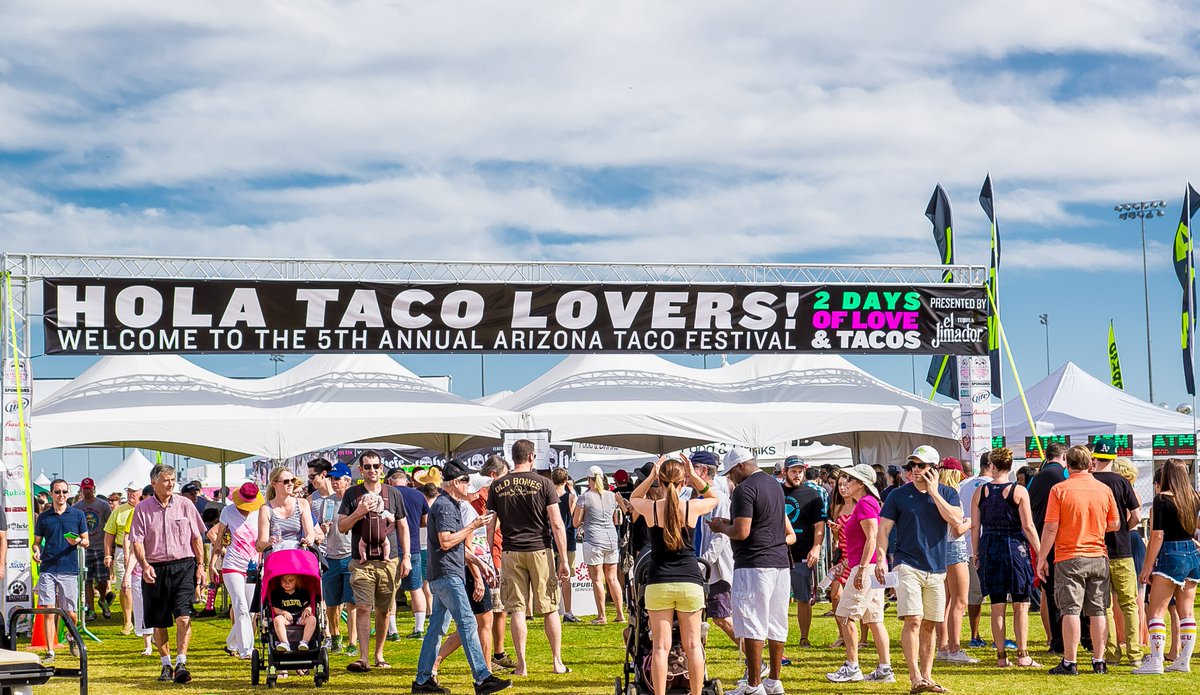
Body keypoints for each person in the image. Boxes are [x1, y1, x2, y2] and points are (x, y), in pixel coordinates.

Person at [412, 459, 512, 695]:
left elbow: (454, 544)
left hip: (445, 573)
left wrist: (478, 563)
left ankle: (423, 680)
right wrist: (473, 525)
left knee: (436, 628)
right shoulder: (446, 506)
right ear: (456, 482)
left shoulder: (449, 504)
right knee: (468, 623)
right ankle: (482, 678)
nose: (469, 485)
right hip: (448, 575)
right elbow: (447, 541)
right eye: (466, 480)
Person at [625, 455, 719, 695]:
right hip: (690, 582)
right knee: (693, 646)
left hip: (658, 583)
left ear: (661, 480)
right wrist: (695, 477)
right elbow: (714, 497)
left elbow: (634, 497)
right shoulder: (691, 507)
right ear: (682, 482)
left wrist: (651, 477)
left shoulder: (652, 509)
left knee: (660, 648)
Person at [875, 445, 962, 695]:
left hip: (936, 567)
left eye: (921, 465)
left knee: (930, 624)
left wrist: (934, 492)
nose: (915, 470)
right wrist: (881, 558)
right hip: (907, 563)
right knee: (913, 619)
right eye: (912, 465)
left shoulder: (947, 493)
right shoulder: (898, 495)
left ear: (934, 469)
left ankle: (927, 676)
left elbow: (956, 521)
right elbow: (883, 530)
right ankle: (915, 677)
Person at [709, 447, 793, 695]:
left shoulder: (744, 490)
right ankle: (774, 681)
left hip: (754, 563)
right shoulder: (774, 484)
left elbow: (742, 531)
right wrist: (729, 525)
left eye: (731, 473)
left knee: (752, 622)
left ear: (740, 466)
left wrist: (720, 528)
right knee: (777, 622)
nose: (730, 478)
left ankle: (755, 685)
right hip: (779, 562)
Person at [486, 439, 571, 676]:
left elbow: (490, 525)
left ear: (513, 458)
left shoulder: (497, 486)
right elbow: (556, 523)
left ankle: (522, 665)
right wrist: (563, 559)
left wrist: (492, 557)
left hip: (511, 551)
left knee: (517, 609)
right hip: (540, 550)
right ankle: (556, 662)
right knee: (550, 608)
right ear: (532, 457)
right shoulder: (544, 483)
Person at [1036, 444, 1119, 676]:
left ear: (1067, 463)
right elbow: (1115, 524)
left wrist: (1042, 558)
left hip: (1069, 556)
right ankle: (1099, 660)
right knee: (1098, 610)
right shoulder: (1104, 489)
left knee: (1070, 610)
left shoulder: (1060, 490)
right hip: (1098, 555)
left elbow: (1050, 527)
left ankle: (1070, 662)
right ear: (1089, 463)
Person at [128, 464, 207, 684]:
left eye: (172, 479)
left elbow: (196, 538)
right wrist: (144, 565)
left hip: (184, 566)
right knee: (159, 621)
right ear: (154, 483)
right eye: (165, 480)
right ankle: (166, 664)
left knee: (183, 616)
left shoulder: (185, 505)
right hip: (155, 568)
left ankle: (182, 661)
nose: (170, 483)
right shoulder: (142, 509)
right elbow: (137, 540)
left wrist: (201, 566)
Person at [338, 450, 411, 673]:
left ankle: (379, 654)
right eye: (367, 467)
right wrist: (358, 512)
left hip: (389, 560)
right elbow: (342, 527)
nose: (372, 470)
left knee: (384, 610)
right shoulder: (352, 494)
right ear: (360, 470)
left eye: (376, 466)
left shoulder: (393, 493)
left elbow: (403, 526)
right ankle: (363, 658)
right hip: (362, 561)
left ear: (382, 468)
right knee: (362, 607)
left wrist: (406, 556)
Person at [970, 447, 1041, 667]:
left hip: (989, 547)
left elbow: (975, 527)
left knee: (997, 604)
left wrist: (976, 552)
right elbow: (1028, 526)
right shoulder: (1019, 491)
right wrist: (1041, 552)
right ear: (1010, 467)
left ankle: (1001, 656)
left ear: (991, 466)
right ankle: (1022, 655)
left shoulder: (980, 492)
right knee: (1021, 603)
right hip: (1014, 548)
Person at [826, 464, 894, 684]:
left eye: (851, 480)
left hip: (866, 568)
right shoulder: (867, 503)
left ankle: (852, 666)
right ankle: (884, 669)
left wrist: (862, 568)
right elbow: (864, 542)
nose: (847, 483)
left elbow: (872, 538)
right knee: (874, 619)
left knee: (844, 616)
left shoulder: (865, 503)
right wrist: (845, 563)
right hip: (867, 566)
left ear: (861, 484)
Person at [1133, 458, 1200, 675]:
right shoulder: (1194, 497)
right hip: (1192, 553)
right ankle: (1184, 660)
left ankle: (1156, 661)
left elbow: (1157, 536)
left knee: (1156, 612)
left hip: (1171, 554)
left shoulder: (1161, 499)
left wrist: (1147, 567)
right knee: (1187, 611)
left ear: (1167, 475)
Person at [430, 473, 499, 680]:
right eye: (479, 489)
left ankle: (431, 667)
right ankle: (484, 672)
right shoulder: (466, 510)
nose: (483, 493)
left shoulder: (466, 508)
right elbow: (464, 546)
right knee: (478, 623)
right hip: (465, 571)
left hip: (465, 569)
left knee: (456, 624)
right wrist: (478, 575)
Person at [1088, 436, 1143, 667]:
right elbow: (1137, 516)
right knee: (1129, 603)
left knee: (1103, 606)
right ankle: (1135, 653)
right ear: (1114, 456)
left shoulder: (1089, 481)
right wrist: (1124, 530)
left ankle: (1110, 653)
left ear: (1094, 456)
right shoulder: (1122, 482)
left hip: (1096, 550)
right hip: (1122, 550)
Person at [33, 479, 89, 662]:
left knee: (71, 613)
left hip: (69, 569)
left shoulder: (78, 515)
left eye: (64, 492)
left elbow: (86, 541)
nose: (61, 495)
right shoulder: (44, 517)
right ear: (51, 494)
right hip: (48, 568)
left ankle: (71, 638)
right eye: (57, 492)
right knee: (49, 610)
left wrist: (78, 542)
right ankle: (50, 651)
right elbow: (36, 542)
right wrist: (36, 551)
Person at [209, 482, 264, 660]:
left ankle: (232, 642)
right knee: (240, 606)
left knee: (251, 611)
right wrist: (212, 563)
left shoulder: (260, 512)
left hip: (253, 566)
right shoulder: (228, 511)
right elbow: (218, 539)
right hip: (232, 564)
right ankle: (246, 650)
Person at [933, 457, 976, 665]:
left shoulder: (934, 494)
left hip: (939, 548)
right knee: (960, 601)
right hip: (955, 548)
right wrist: (970, 523)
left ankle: (943, 646)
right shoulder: (951, 495)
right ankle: (955, 648)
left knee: (945, 602)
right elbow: (958, 529)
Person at [1027, 441, 1069, 654]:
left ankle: (1054, 639)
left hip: (1039, 539)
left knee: (1048, 592)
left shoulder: (1034, 480)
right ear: (1063, 457)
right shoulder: (1063, 476)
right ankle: (1074, 639)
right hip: (1061, 539)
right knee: (1067, 592)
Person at [691, 453, 736, 649]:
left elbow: (721, 536)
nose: (687, 474)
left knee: (722, 617)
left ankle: (756, 661)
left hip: (714, 570)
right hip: (698, 566)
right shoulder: (695, 495)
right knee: (695, 617)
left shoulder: (719, 498)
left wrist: (704, 563)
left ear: (702, 470)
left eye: (691, 468)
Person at [475, 454, 515, 672]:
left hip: (497, 554)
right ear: (493, 475)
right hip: (490, 558)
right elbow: (486, 527)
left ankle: (497, 654)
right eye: (504, 476)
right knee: (487, 613)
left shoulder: (490, 493)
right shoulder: (482, 496)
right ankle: (487, 660)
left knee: (501, 609)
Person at [781, 455, 824, 649]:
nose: (797, 475)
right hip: (777, 553)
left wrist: (816, 547)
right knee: (775, 598)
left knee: (803, 598)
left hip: (802, 553)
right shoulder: (776, 491)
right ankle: (773, 637)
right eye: (793, 471)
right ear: (785, 472)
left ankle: (804, 637)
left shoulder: (812, 494)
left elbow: (819, 525)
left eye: (800, 471)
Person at [314, 463, 358, 655]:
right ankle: (335, 636)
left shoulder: (355, 500)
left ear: (348, 480)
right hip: (330, 555)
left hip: (350, 555)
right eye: (332, 478)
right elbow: (323, 527)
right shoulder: (328, 502)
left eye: (338, 479)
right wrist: (322, 530)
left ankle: (353, 641)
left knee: (352, 602)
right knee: (331, 602)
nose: (334, 482)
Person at [573, 465, 624, 624]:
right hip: (611, 539)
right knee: (613, 579)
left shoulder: (585, 497)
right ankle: (620, 614)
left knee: (597, 580)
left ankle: (602, 616)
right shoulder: (612, 496)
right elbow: (617, 521)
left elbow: (576, 522)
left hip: (593, 540)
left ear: (589, 480)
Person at [959, 451, 993, 650]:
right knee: (997, 595)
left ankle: (974, 634)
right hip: (986, 543)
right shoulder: (995, 485)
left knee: (973, 595)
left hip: (966, 545)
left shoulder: (964, 485)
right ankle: (992, 636)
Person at [393, 467, 431, 640]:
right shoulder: (418, 495)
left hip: (392, 549)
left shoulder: (388, 494)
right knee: (416, 589)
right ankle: (419, 629)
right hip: (413, 547)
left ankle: (392, 631)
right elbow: (425, 521)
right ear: (407, 480)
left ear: (389, 481)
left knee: (389, 592)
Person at [72, 477, 112, 621]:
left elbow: (110, 526)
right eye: (85, 489)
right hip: (84, 549)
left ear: (94, 489)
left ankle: (102, 599)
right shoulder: (76, 507)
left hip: (100, 547)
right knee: (87, 580)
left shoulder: (103, 505)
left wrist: (110, 549)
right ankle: (91, 609)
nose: (87, 491)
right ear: (81, 490)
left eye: (89, 488)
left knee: (102, 580)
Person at [104, 482, 141, 634]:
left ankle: (143, 620)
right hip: (121, 551)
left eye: (134, 491)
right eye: (129, 491)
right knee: (125, 587)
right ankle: (127, 621)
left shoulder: (147, 508)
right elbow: (109, 534)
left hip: (142, 551)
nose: (131, 494)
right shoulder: (119, 510)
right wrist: (108, 554)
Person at [256, 467, 317, 555]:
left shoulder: (302, 504)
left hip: (297, 557)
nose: (290, 484)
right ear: (274, 484)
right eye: (286, 481)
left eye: (292, 480)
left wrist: (308, 540)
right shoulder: (266, 509)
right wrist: (269, 542)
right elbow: (259, 545)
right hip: (276, 558)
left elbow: (310, 534)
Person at [550, 468, 580, 622]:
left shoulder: (548, 496)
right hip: (567, 539)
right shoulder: (571, 497)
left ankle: (552, 609)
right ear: (566, 480)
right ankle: (568, 611)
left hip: (551, 539)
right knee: (566, 578)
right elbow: (574, 519)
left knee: (552, 577)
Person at [271, 573, 317, 652]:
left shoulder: (302, 592)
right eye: (284, 580)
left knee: (312, 619)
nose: (287, 583)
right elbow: (275, 609)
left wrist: (307, 610)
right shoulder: (277, 593)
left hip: (300, 617)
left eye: (290, 581)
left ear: (297, 581)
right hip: (286, 617)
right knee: (277, 620)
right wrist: (284, 612)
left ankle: (304, 642)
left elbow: (308, 606)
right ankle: (284, 642)